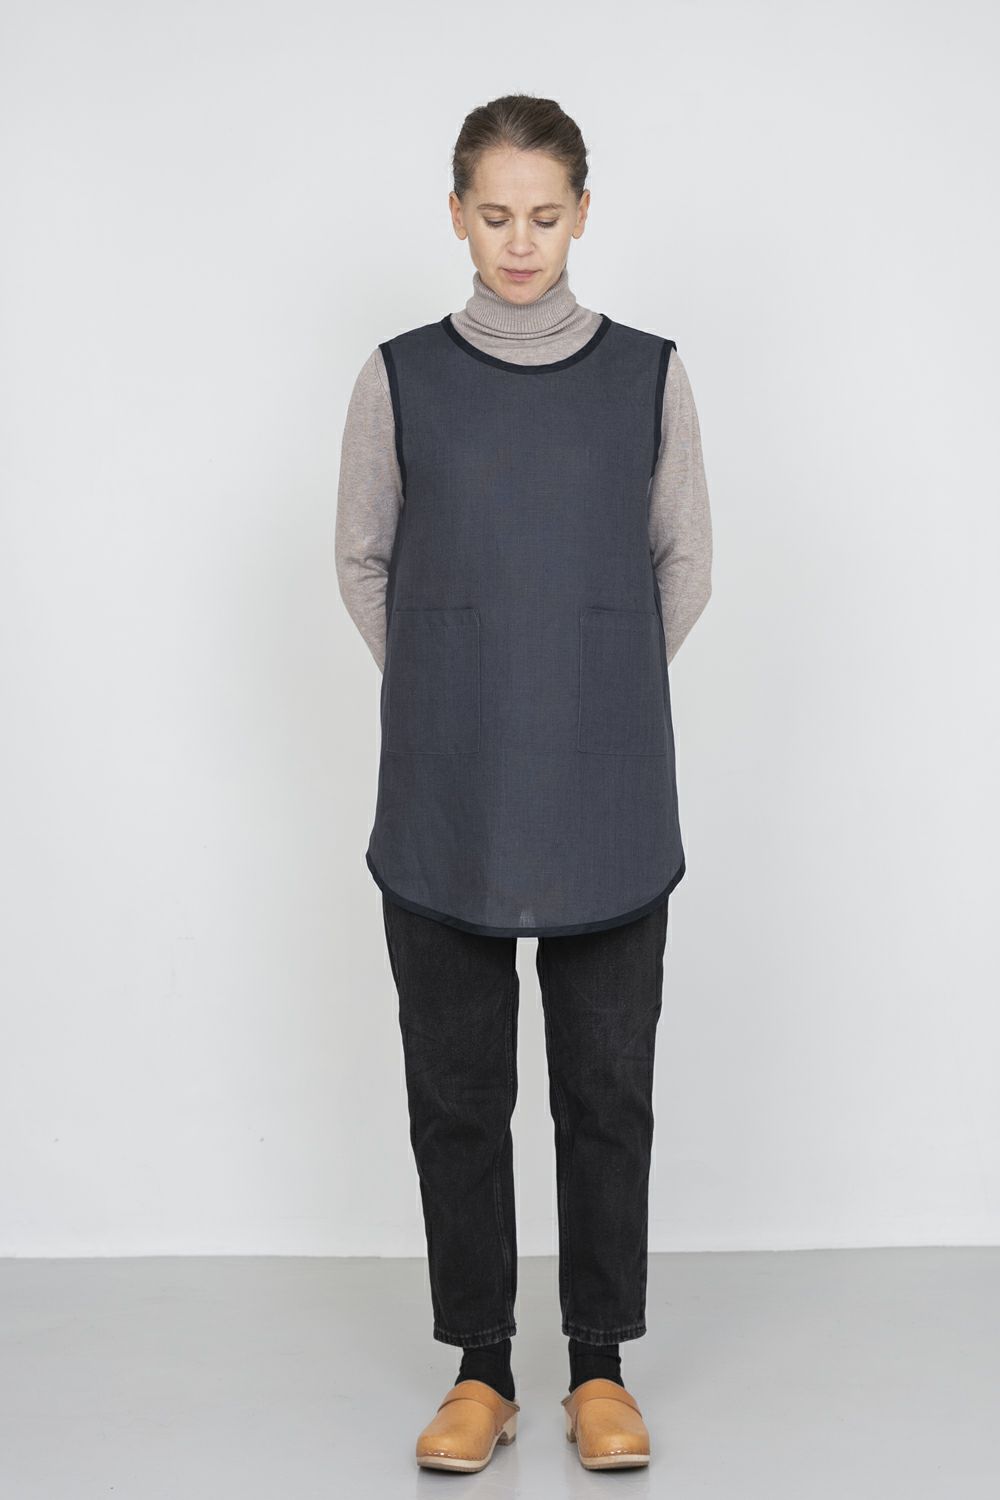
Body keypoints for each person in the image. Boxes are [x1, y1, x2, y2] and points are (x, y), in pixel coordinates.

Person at [336, 92, 712, 1473]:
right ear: (456, 215)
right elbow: (364, 559)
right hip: (447, 789)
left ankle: (599, 1366)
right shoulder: (400, 377)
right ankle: (481, 1370)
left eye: (544, 216)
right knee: (458, 1094)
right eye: (494, 214)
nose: (518, 241)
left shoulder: (649, 375)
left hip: (610, 790)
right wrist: (462, 689)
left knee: (606, 1090)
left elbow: (684, 561)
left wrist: (582, 692)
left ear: (582, 215)